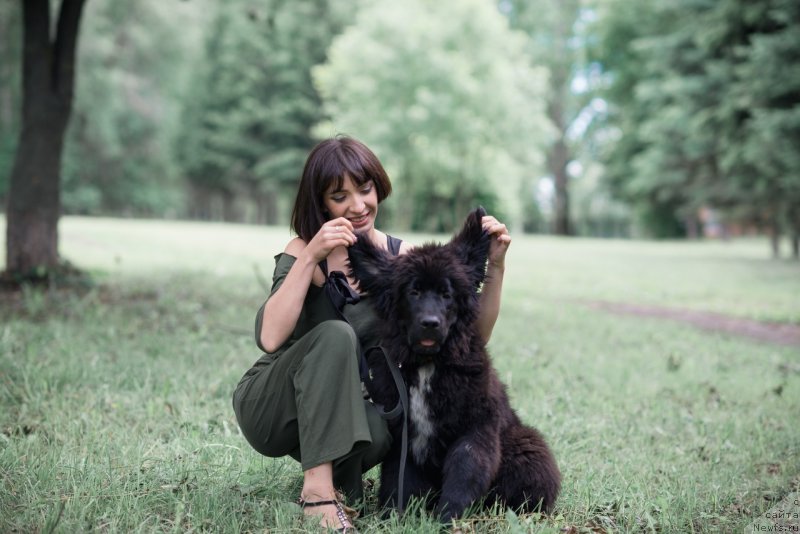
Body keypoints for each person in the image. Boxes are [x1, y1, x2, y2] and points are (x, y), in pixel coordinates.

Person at [232, 135, 511, 532]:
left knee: (384, 427)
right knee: (335, 335)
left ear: (379, 187)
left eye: (365, 189)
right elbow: (271, 337)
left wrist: (495, 269)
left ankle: (335, 480)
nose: (358, 205)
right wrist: (312, 254)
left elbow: (469, 338)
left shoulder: (399, 259)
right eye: (339, 195)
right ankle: (318, 494)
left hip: (331, 408)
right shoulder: (302, 250)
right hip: (273, 402)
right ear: (321, 203)